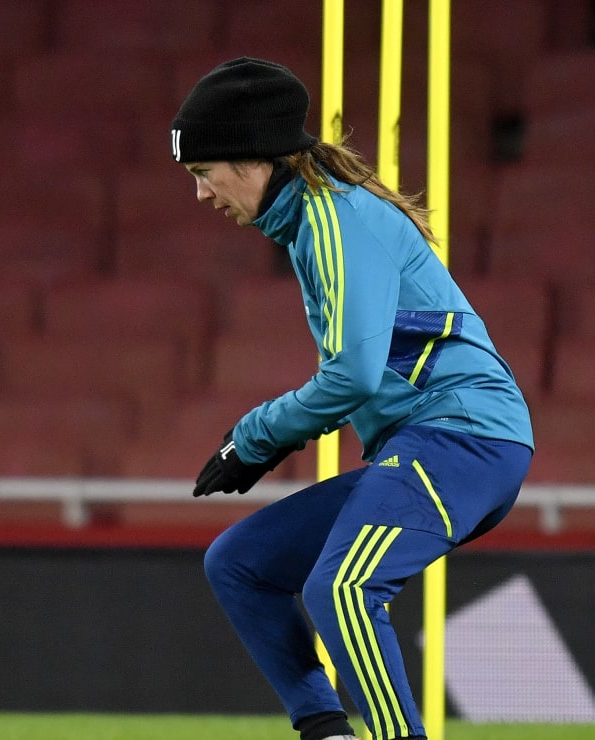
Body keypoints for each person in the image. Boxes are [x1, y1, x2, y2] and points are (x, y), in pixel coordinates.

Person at [174, 57, 533, 740]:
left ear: (252, 160)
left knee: (341, 591)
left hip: (464, 439)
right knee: (240, 564)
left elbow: (355, 377)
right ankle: (327, 731)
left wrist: (253, 438)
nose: (201, 195)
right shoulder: (317, 217)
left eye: (202, 173)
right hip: (434, 443)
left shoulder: (334, 219)